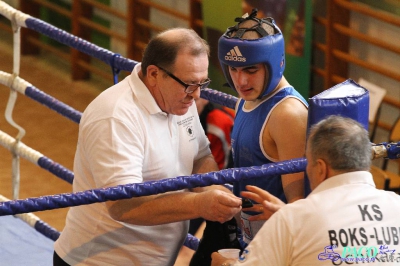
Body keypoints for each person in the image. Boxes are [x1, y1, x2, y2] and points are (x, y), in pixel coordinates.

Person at [53, 28, 242, 266]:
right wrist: (200, 205)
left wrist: (215, 193)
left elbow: (200, 157)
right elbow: (124, 205)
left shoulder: (179, 99)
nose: (196, 95)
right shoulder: (116, 117)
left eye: (202, 83)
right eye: (189, 84)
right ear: (153, 74)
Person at [211, 115, 400, 266]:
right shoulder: (396, 205)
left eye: (307, 162)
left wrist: (225, 264)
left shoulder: (294, 219)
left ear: (320, 168)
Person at [217, 9, 308, 244]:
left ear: (276, 63)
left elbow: (299, 204)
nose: (241, 81)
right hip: (251, 239)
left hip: (278, 246)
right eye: (234, 69)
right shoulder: (245, 100)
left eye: (251, 70)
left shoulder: (287, 115)